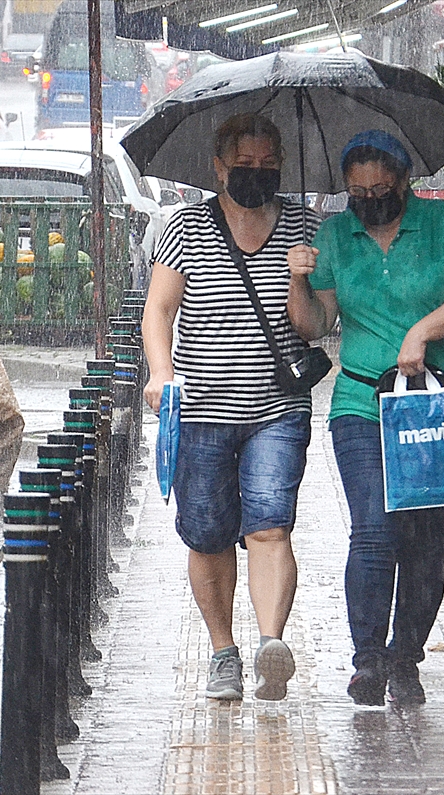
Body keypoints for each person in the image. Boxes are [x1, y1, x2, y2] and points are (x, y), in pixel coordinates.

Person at [286, 130, 444, 706]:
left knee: (425, 544)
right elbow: (315, 325)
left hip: (440, 408)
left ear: (404, 181)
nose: (371, 199)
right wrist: (298, 278)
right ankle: (368, 661)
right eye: (358, 191)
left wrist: (422, 331)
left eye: (381, 188)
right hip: (362, 405)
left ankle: (407, 657)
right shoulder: (333, 235)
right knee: (374, 531)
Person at [142, 113, 321, 701]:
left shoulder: (303, 224)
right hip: (200, 409)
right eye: (244, 166)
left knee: (270, 525)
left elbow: (318, 324)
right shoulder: (186, 226)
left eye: (268, 166)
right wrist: (162, 375)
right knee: (209, 536)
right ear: (218, 167)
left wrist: (301, 279)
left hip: (278, 409)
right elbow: (159, 310)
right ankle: (223, 650)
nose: (256, 175)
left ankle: (272, 645)